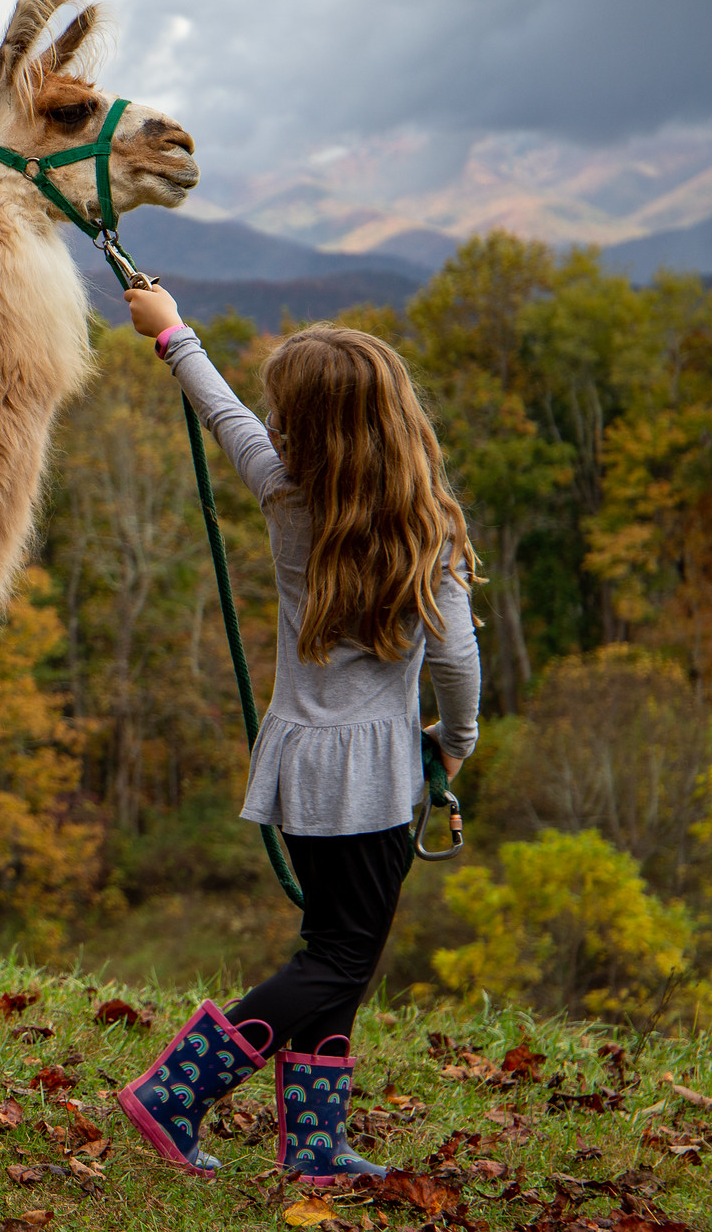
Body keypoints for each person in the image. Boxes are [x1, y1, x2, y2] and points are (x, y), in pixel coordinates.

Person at [114, 284, 482, 1186]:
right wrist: (456, 742)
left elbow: (221, 409)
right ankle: (175, 1091)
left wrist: (169, 330)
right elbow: (459, 662)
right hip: (375, 777)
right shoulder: (423, 529)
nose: (270, 425)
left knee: (332, 952)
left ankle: (316, 1146)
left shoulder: (284, 494)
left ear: (304, 428)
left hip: (298, 763)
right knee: (339, 960)